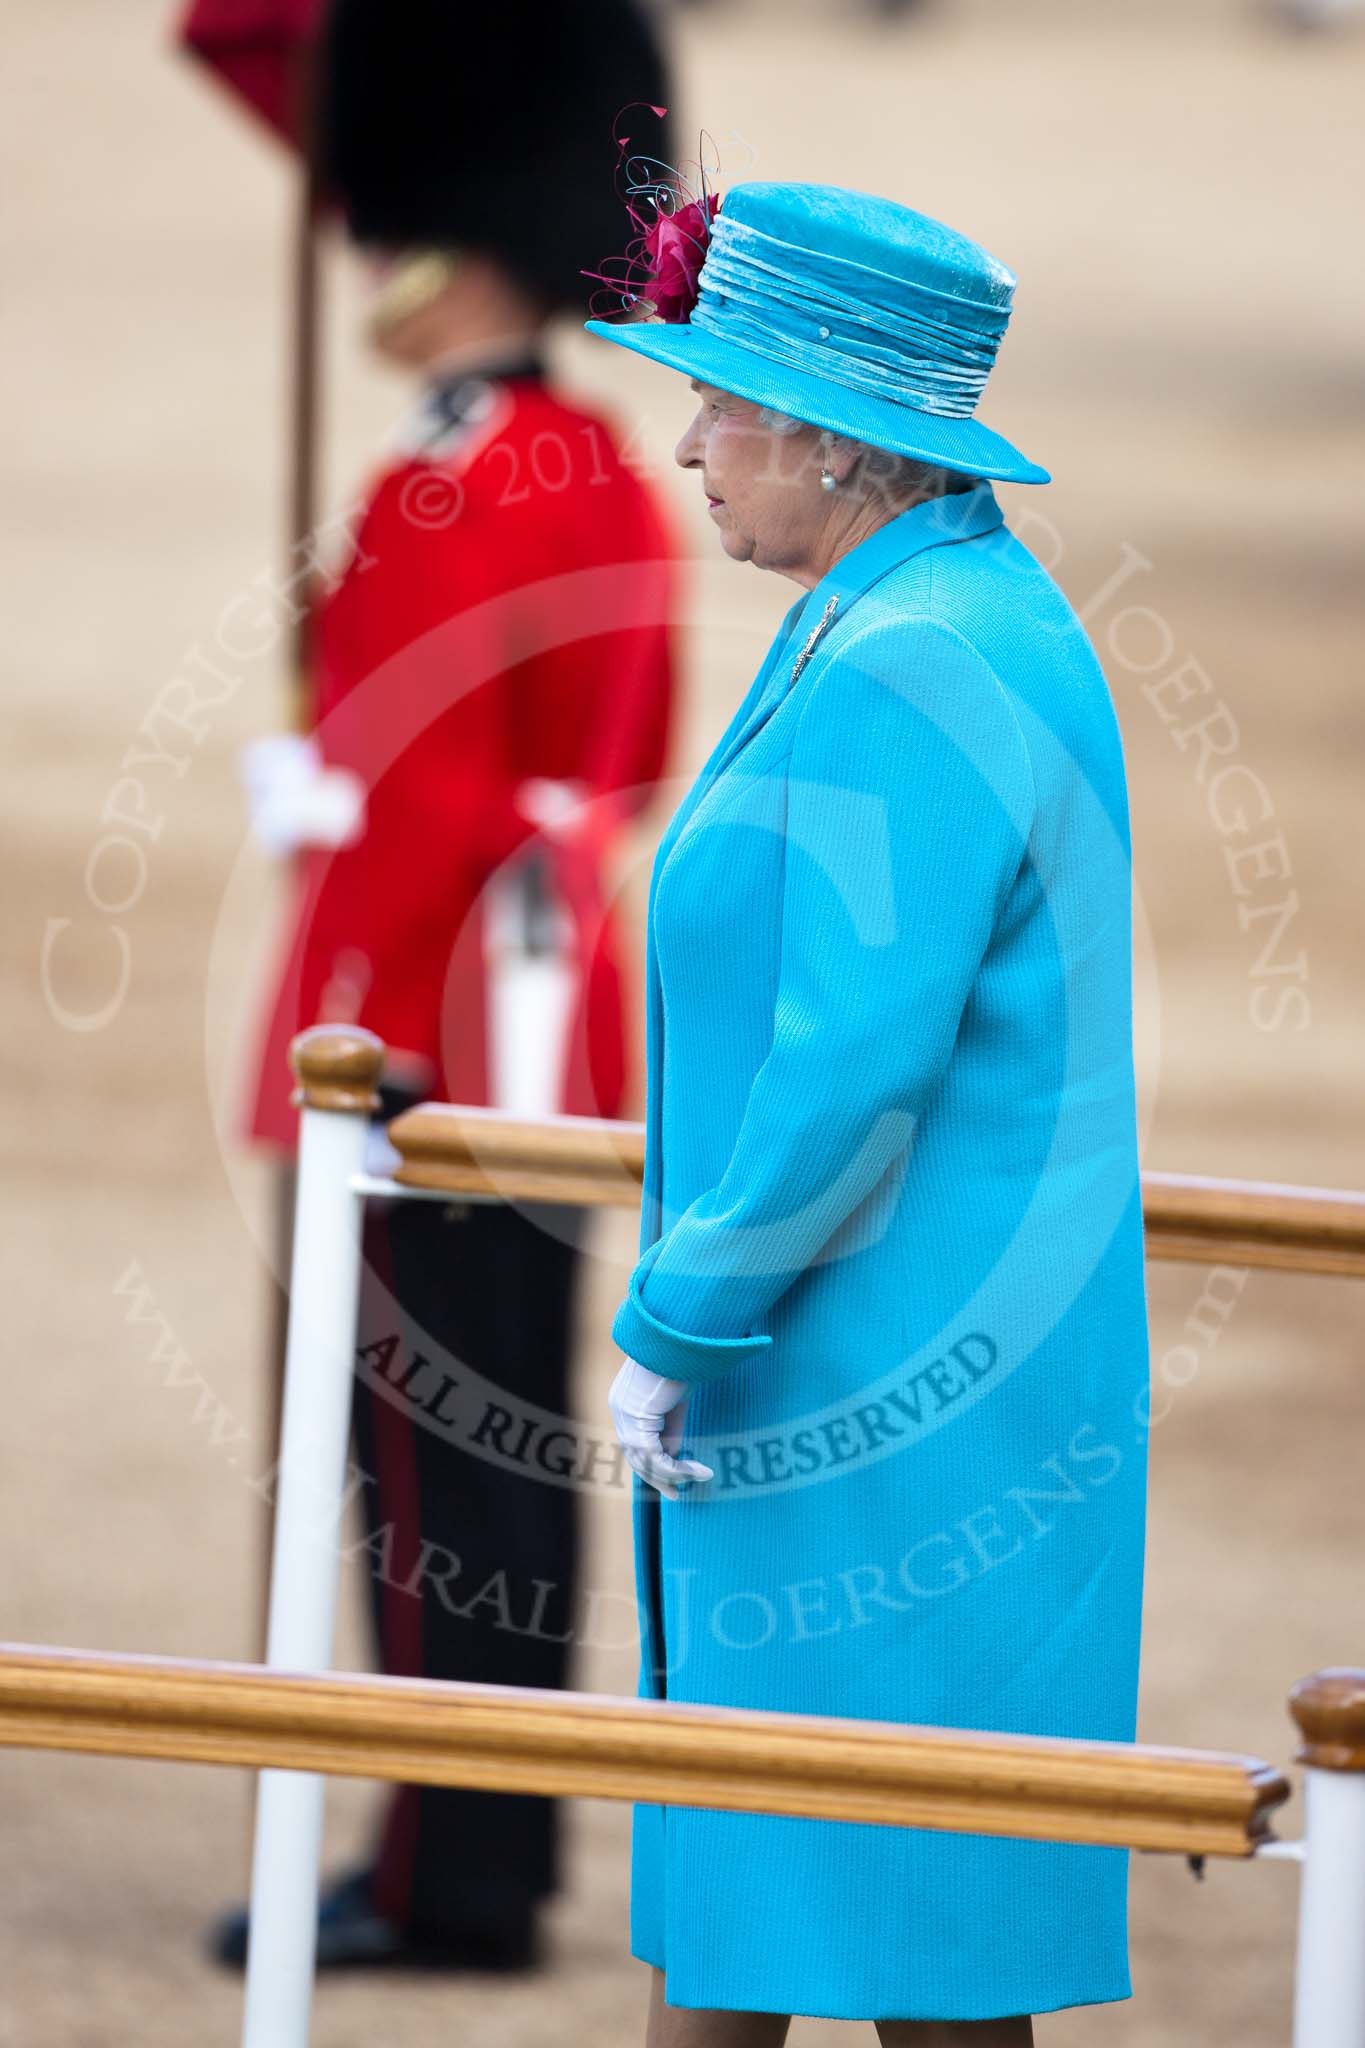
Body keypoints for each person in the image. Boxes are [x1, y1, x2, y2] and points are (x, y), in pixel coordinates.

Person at [589, 181, 1149, 2041]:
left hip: (875, 1389)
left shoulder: (917, 647)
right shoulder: (923, 600)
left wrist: (678, 1312)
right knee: (810, 1921)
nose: (687, 443)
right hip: (880, 1375)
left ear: (829, 439)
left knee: (898, 1935)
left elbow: (851, 1066)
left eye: (721, 402)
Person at [218, 0, 679, 1972]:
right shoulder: (553, 462)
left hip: (432, 1021)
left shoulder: (477, 479)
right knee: (469, 1463)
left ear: (464, 248)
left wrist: (331, 812)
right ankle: (452, 1848)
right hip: (527, 1002)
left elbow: (430, 788)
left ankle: (451, 1873)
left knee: (436, 1465)